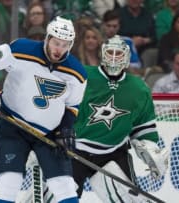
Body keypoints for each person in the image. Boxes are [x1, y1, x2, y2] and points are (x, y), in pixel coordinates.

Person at [0, 16, 87, 203]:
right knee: (8, 183)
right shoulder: (20, 50)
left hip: (49, 133)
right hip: (13, 127)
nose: (59, 49)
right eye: (56, 43)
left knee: (64, 185)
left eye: (65, 45)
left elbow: (72, 106)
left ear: (71, 44)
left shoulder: (77, 73)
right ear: (48, 38)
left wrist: (65, 129)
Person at [72, 35, 168, 202]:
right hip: (75, 150)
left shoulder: (138, 88)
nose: (114, 58)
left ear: (127, 57)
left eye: (119, 54)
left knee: (128, 200)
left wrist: (151, 153)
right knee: (56, 197)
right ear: (103, 54)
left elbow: (143, 129)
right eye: (110, 53)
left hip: (113, 152)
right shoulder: (83, 76)